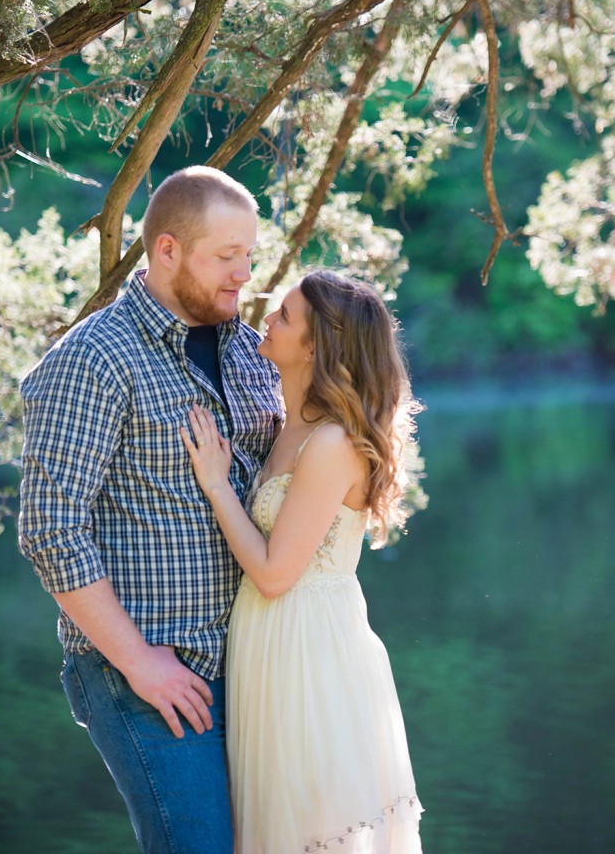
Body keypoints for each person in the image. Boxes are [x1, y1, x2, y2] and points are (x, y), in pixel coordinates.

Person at [18, 166, 283, 854]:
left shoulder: (255, 353)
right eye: (227, 257)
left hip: (254, 670)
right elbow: (51, 529)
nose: (243, 274)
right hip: (147, 676)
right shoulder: (93, 358)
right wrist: (138, 660)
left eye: (248, 256)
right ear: (166, 250)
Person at [181, 269, 424, 854]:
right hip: (270, 641)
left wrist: (216, 485)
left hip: (308, 650)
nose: (268, 317)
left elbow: (273, 573)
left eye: (284, 315)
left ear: (315, 346)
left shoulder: (334, 443)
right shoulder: (291, 426)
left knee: (309, 824)